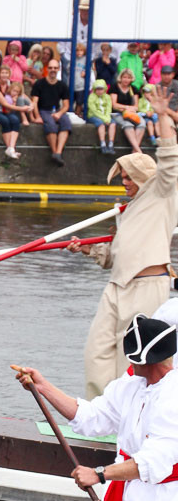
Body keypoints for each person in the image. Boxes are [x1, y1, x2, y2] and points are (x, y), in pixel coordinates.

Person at [13, 314, 178, 501]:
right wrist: (43, 388)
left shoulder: (174, 399)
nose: (129, 363)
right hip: (126, 496)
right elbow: (91, 418)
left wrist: (99, 473)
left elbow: (152, 463)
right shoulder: (131, 385)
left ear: (147, 361)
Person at [68, 89, 178, 397]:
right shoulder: (127, 212)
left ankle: (132, 416)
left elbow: (170, 158)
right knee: (96, 353)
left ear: (142, 176)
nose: (123, 182)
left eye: (128, 176)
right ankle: (99, 414)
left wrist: (163, 115)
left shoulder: (162, 193)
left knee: (134, 359)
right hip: (116, 286)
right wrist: (90, 249)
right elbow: (116, 255)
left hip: (147, 286)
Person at [30, 58, 71, 166]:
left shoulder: (62, 85)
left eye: (55, 68)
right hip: (43, 110)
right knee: (51, 126)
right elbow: (34, 102)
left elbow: (66, 105)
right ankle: (55, 152)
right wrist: (37, 116)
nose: (53, 70)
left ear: (59, 69)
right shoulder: (39, 84)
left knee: (66, 123)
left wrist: (59, 113)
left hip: (56, 110)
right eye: (51, 68)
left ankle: (58, 152)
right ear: (47, 69)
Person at [0, 63, 21, 159]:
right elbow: (4, 103)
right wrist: (22, 108)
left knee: (15, 120)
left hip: (6, 111)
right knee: (5, 121)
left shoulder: (10, 85)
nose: (4, 75)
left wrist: (30, 104)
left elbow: (21, 91)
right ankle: (9, 148)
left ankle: (11, 148)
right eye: (3, 73)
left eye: (6, 73)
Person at [110, 68, 143, 154]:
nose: (126, 79)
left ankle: (134, 150)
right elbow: (114, 105)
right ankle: (138, 151)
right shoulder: (115, 87)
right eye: (124, 77)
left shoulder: (133, 89)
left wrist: (127, 108)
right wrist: (127, 107)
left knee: (142, 123)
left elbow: (136, 106)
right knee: (128, 124)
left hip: (130, 113)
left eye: (128, 78)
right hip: (117, 113)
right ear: (121, 78)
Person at [86, 77, 116, 154]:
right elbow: (93, 110)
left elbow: (109, 108)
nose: (99, 91)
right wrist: (104, 119)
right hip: (94, 116)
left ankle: (110, 144)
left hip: (106, 116)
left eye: (101, 89)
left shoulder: (107, 97)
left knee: (113, 124)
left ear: (105, 89)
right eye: (97, 89)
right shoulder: (91, 97)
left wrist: (107, 118)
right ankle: (102, 144)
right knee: (101, 124)